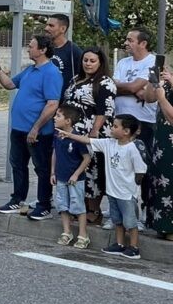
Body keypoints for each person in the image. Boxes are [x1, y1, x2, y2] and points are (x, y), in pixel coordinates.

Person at [58, 114, 147, 259]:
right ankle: (119, 244)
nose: (111, 128)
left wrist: (133, 188)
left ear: (126, 131)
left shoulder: (132, 149)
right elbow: (88, 140)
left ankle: (134, 247)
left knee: (130, 222)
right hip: (112, 192)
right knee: (117, 220)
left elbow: (140, 171)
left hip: (126, 194)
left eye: (115, 126)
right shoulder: (109, 143)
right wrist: (69, 135)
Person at [0, 35, 62, 217]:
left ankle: (44, 204)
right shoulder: (30, 70)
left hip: (37, 132)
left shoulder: (51, 72)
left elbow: (52, 104)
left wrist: (36, 128)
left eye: (31, 46)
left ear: (43, 49)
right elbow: (9, 84)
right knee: (18, 164)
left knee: (42, 168)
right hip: (19, 129)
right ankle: (17, 199)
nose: (28, 49)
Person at [61, 48, 117, 226]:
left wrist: (94, 130)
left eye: (92, 61)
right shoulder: (76, 79)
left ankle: (94, 210)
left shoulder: (105, 82)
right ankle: (78, 208)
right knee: (75, 167)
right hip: (72, 131)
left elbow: (105, 110)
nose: (88, 63)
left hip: (93, 131)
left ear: (100, 62)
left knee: (93, 170)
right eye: (86, 60)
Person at [112, 27, 157, 224]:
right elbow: (116, 87)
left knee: (141, 168)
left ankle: (145, 212)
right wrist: (131, 89)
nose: (126, 43)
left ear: (142, 43)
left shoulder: (152, 62)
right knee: (119, 167)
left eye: (131, 40)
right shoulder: (123, 62)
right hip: (120, 121)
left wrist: (127, 87)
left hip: (143, 122)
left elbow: (134, 87)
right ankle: (120, 212)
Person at [51, 105, 92, 249]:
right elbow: (55, 153)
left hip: (75, 180)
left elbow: (87, 158)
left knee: (78, 206)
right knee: (63, 205)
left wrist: (76, 174)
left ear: (68, 121)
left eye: (58, 116)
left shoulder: (77, 138)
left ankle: (83, 234)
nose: (55, 118)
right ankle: (67, 232)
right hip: (61, 177)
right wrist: (53, 172)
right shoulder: (57, 135)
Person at [150, 68, 173, 239]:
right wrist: (155, 82)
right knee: (159, 179)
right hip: (162, 141)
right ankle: (160, 224)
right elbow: (148, 97)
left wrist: (162, 97)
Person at [44, 14, 82, 93]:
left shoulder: (74, 51)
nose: (46, 28)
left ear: (63, 29)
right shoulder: (44, 49)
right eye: (46, 25)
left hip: (62, 102)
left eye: (51, 26)